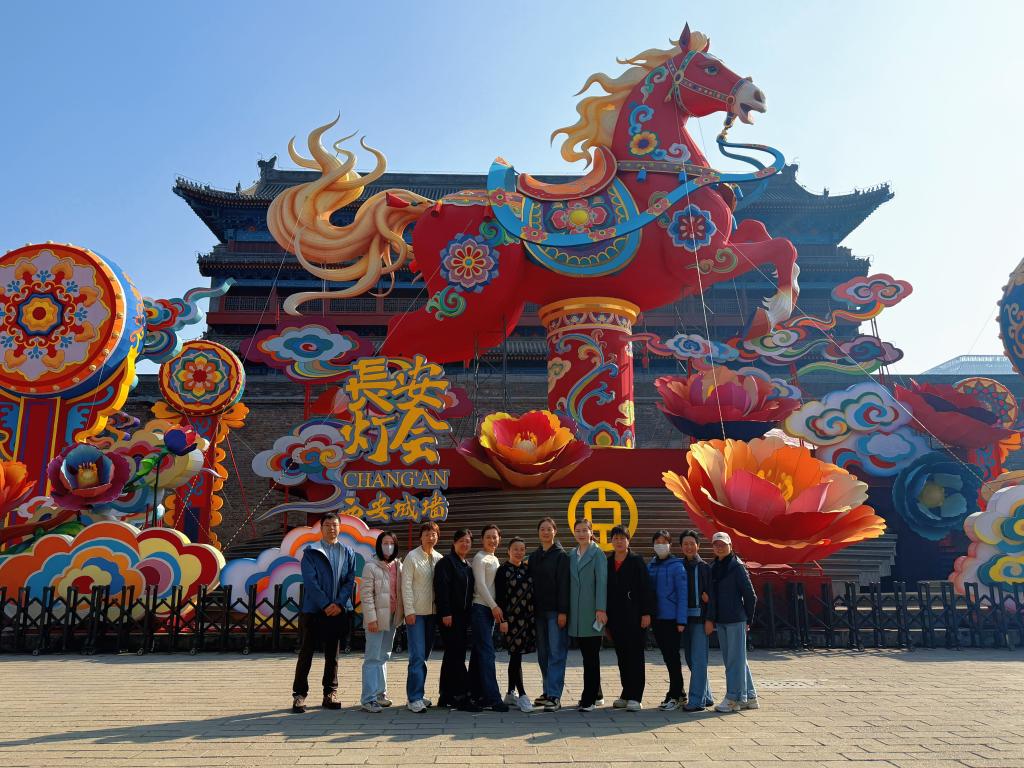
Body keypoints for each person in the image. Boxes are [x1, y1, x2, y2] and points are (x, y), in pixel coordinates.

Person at [291, 512, 357, 713]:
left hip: (337, 610)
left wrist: (338, 603)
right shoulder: (311, 552)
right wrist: (326, 604)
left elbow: (349, 580)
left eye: (335, 525)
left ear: (340, 528)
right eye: (327, 525)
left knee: (332, 655)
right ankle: (299, 695)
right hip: (314, 610)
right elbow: (310, 582)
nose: (331, 528)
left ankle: (330, 693)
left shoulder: (347, 552)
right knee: (306, 653)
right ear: (321, 528)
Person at [706, 531, 759, 713]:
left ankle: (733, 698)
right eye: (716, 544)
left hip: (736, 619)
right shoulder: (714, 567)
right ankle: (750, 697)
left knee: (733, 661)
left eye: (723, 544)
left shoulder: (737, 567)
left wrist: (748, 619)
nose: (719, 547)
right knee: (736, 659)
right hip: (722, 620)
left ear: (730, 546)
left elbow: (750, 596)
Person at [605, 526, 653, 712]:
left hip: (635, 616)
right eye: (615, 538)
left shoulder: (636, 561)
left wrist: (646, 613)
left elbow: (646, 588)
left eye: (622, 538)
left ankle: (636, 696)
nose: (619, 541)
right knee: (622, 656)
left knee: (635, 656)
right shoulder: (608, 562)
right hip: (615, 618)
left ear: (628, 540)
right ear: (611, 541)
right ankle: (626, 693)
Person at [434, 528, 479, 711]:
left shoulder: (467, 565)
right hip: (449, 616)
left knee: (452, 655)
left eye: (468, 541)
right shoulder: (446, 563)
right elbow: (441, 589)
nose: (465, 544)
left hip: (462, 617)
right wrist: (445, 612)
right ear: (454, 543)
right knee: (457, 655)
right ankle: (462, 696)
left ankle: (445, 695)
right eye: (461, 541)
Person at [528, 516, 570, 712]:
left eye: (549, 529)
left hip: (555, 613)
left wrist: (563, 611)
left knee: (556, 653)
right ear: (538, 533)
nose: (545, 532)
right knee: (543, 654)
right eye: (542, 529)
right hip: (538, 613)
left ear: (555, 532)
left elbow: (564, 585)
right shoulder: (534, 556)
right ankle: (547, 692)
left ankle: (555, 696)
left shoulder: (561, 556)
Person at [359, 531, 403, 713]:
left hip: (392, 617)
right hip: (376, 619)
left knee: (384, 655)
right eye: (385, 543)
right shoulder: (371, 566)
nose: (388, 546)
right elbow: (366, 595)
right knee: (372, 657)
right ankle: (368, 699)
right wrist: (371, 619)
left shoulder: (398, 565)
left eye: (391, 543)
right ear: (379, 545)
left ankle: (380, 694)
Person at [402, 521, 442, 713]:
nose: (430, 537)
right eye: (426, 534)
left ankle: (418, 693)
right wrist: (409, 611)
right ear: (421, 537)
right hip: (416, 614)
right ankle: (414, 698)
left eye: (433, 534)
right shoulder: (412, 556)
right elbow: (406, 585)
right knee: (417, 655)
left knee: (424, 656)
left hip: (432, 615)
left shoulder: (439, 558)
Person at [568, 517, 607, 712]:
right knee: (587, 655)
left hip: (593, 613)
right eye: (578, 530)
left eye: (585, 530)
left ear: (591, 532)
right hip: (576, 614)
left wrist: (601, 609)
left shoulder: (597, 553)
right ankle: (597, 694)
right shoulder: (571, 554)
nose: (582, 534)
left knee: (591, 657)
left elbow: (602, 582)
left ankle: (589, 699)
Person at [469, 524, 509, 711]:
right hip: (481, 609)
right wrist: (494, 606)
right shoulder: (480, 558)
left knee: (479, 653)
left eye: (495, 537)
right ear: (482, 540)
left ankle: (475, 694)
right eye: (488, 537)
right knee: (487, 653)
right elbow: (481, 585)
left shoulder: (494, 558)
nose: (492, 540)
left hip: (488, 610)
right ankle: (493, 698)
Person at [647, 528, 688, 711]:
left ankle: (675, 694)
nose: (660, 545)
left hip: (672, 620)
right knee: (667, 657)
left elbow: (682, 594)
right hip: (658, 619)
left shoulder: (677, 566)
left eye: (664, 542)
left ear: (670, 545)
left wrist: (681, 621)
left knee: (673, 658)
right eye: (657, 542)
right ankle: (679, 692)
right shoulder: (651, 565)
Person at [495, 536, 537, 713]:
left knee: (516, 655)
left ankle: (510, 693)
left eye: (522, 549)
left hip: (527, 620)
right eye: (515, 549)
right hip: (511, 621)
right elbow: (500, 597)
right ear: (508, 551)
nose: (519, 552)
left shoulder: (527, 569)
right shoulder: (502, 570)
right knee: (515, 655)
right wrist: (502, 621)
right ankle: (523, 695)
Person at [680, 529, 715, 711]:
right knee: (690, 659)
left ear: (698, 546)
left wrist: (710, 620)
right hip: (684, 620)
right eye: (685, 544)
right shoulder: (679, 566)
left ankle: (696, 701)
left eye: (692, 543)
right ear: (681, 547)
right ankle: (706, 696)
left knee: (699, 659)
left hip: (701, 620)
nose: (689, 547)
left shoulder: (704, 568)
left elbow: (712, 596)